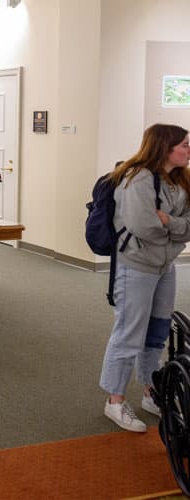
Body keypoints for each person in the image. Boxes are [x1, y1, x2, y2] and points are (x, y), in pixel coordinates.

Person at [99, 123, 190, 432]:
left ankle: (152, 392)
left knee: (157, 332)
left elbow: (184, 225)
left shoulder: (180, 180)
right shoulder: (136, 178)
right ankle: (115, 401)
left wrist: (170, 223)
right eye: (185, 145)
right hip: (135, 266)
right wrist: (175, 228)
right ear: (165, 147)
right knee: (129, 332)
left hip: (165, 266)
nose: (189, 150)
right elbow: (145, 227)